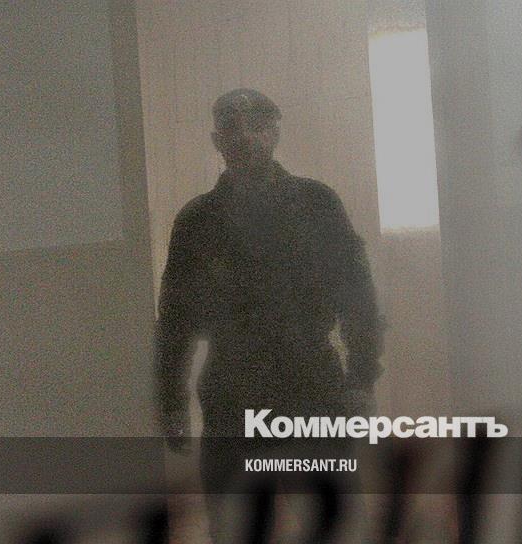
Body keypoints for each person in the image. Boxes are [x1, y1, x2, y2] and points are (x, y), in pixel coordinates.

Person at [155, 88, 382, 541]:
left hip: (309, 384)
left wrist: (361, 376)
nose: (245, 137)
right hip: (233, 393)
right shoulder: (197, 221)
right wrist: (171, 400)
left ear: (275, 133)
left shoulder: (317, 205)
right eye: (232, 128)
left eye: (256, 126)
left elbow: (356, 296)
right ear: (217, 140)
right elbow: (176, 318)